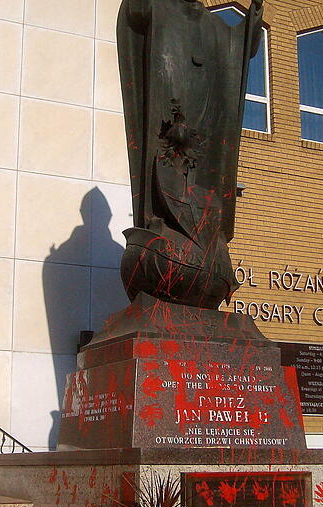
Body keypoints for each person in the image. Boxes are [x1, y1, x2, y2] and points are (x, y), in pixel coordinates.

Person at [117, 0, 265, 309]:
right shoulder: (161, 8)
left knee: (200, 176)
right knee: (168, 163)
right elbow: (137, 13)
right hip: (168, 116)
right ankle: (172, 227)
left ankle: (199, 242)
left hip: (203, 128)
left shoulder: (214, 25)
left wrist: (252, 21)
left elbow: (238, 47)